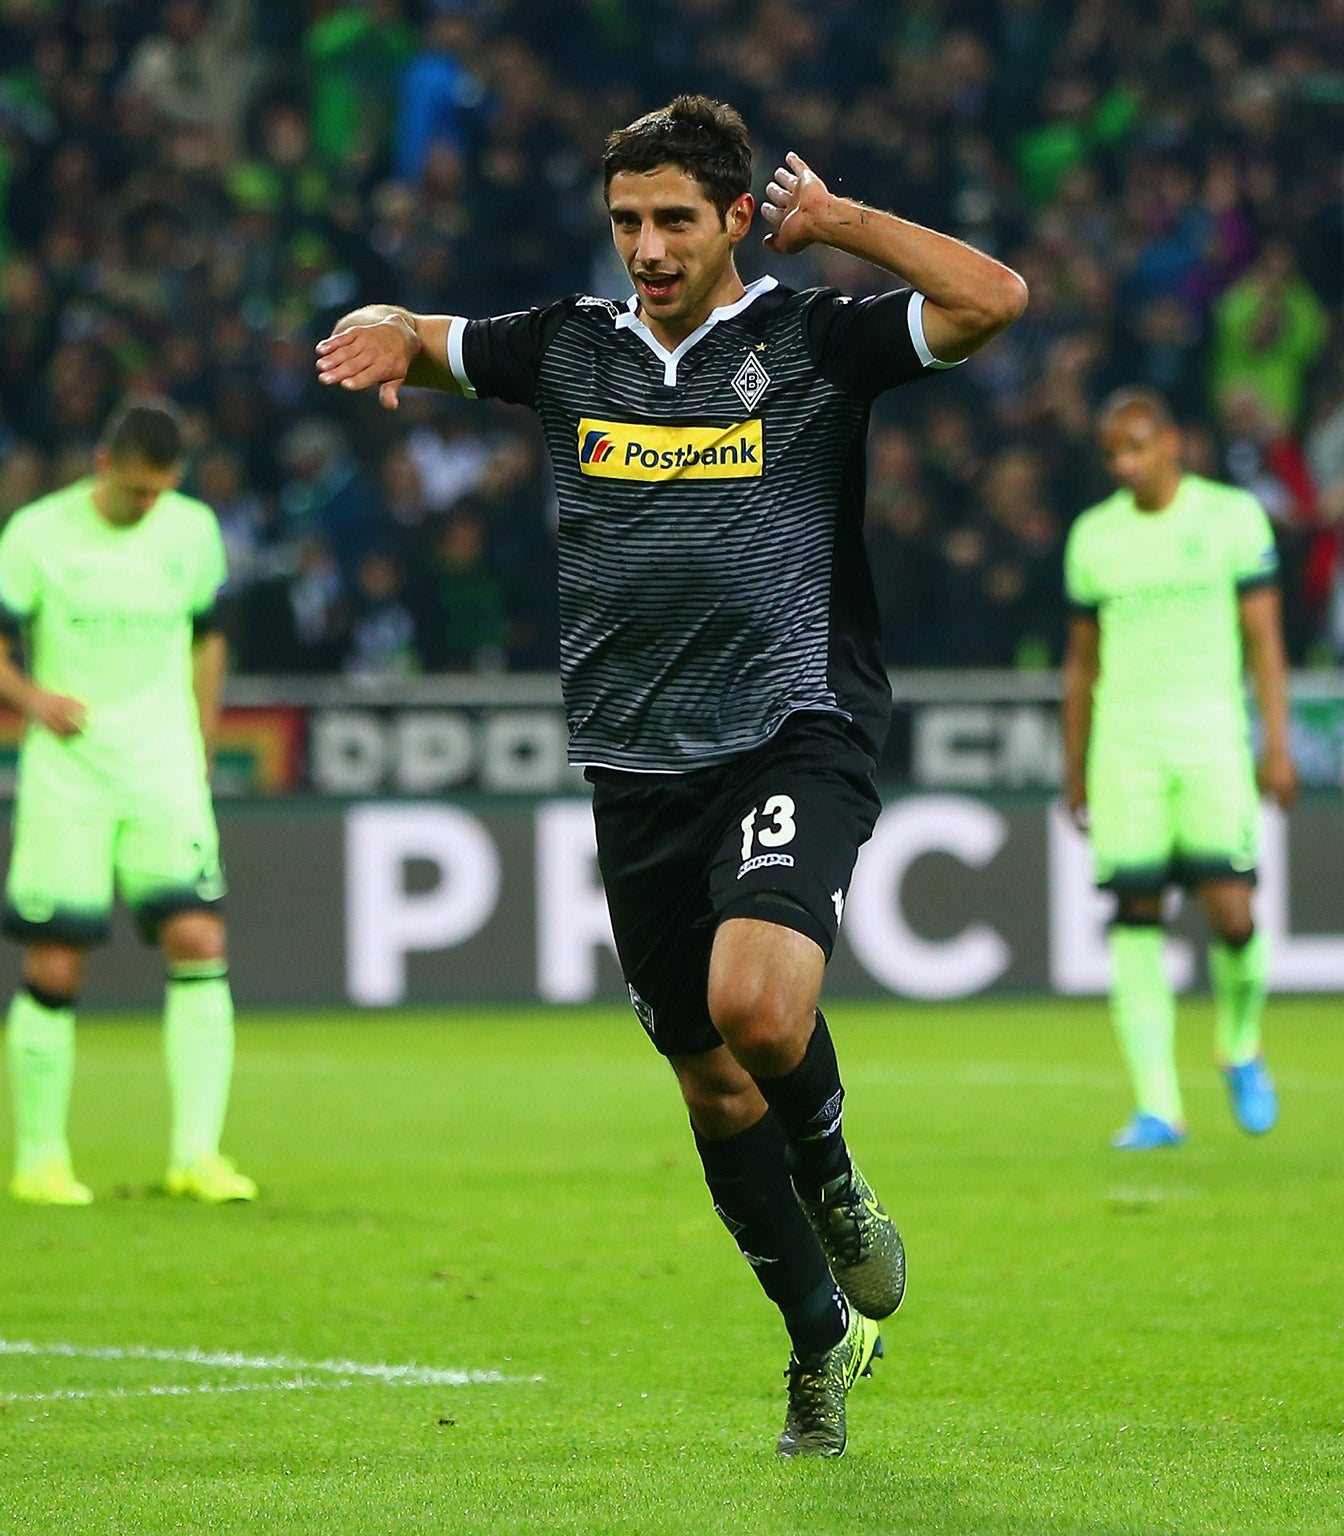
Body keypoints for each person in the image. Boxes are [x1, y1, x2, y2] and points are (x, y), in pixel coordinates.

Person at [316, 96, 1026, 1456]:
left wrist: (842, 230)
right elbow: (435, 340)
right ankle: (818, 1336)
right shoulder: (568, 352)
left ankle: (833, 1174)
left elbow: (995, 297)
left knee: (759, 1012)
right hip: (635, 764)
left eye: (673, 221)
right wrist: (388, 330)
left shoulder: (809, 341)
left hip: (790, 727)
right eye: (627, 220)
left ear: (732, 216)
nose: (645, 245)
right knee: (708, 1085)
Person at [0, 401, 253, 1208]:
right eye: (134, 492)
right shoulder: (37, 534)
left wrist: (200, 743)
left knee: (200, 937)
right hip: (71, 776)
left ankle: (198, 1154)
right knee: (55, 959)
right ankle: (41, 1160)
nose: (146, 506)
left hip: (163, 773)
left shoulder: (193, 531)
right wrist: (33, 697)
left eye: (159, 493)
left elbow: (208, 641)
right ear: (102, 465)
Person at [1061, 388, 1296, 1149]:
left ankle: (1239, 1042)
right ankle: (1159, 1105)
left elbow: (1265, 643)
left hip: (1212, 743)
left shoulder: (1231, 519)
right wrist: (1075, 767)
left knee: (1234, 912)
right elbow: (1081, 666)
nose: (1124, 464)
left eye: (1135, 446)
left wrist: (1278, 745)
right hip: (1126, 749)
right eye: (1112, 454)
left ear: (1170, 443)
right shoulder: (1095, 537)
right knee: (1135, 920)